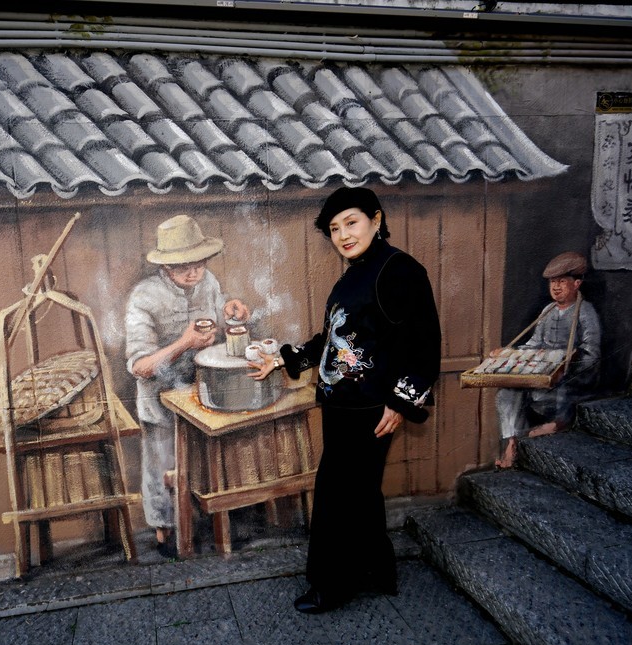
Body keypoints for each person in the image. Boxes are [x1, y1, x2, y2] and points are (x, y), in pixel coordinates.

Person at [250, 187, 441, 614]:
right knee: (360, 491)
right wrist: (283, 360)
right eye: (334, 229)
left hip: (371, 407)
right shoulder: (353, 276)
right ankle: (377, 570)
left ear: (376, 219)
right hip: (342, 404)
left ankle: (331, 585)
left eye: (351, 223)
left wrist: (401, 401)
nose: (342, 235)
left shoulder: (398, 269)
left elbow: (424, 342)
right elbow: (333, 339)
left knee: (337, 493)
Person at [125, 214, 250, 558]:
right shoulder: (143, 297)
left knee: (211, 461)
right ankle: (166, 535)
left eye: (199, 263)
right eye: (183, 267)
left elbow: (219, 313)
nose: (193, 273)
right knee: (163, 468)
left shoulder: (208, 282)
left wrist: (231, 311)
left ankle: (217, 523)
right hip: (160, 399)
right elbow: (139, 366)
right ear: (166, 266)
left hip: (202, 393)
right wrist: (184, 343)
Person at [492, 251, 601, 468]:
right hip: (542, 374)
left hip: (571, 378)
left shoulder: (585, 311)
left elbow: (592, 354)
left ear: (577, 283)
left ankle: (556, 424)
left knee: (560, 393)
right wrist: (509, 352)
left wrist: (567, 365)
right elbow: (534, 344)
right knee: (506, 392)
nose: (556, 287)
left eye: (562, 281)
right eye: (553, 282)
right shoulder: (548, 310)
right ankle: (511, 443)